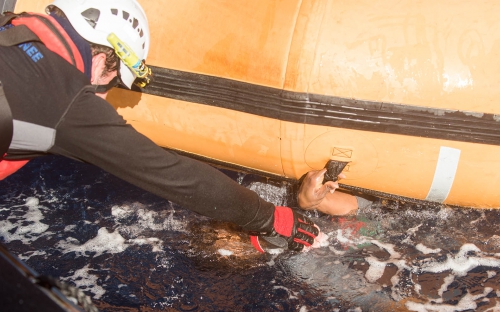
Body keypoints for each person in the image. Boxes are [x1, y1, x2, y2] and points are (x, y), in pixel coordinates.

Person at [0, 0, 354, 253]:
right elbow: (174, 175)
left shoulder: (9, 26)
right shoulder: (66, 99)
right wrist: (271, 218)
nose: (104, 97)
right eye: (111, 82)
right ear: (100, 56)